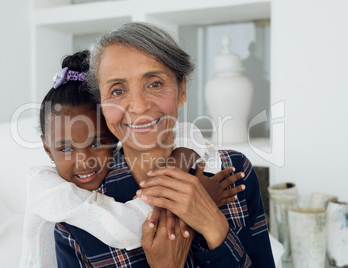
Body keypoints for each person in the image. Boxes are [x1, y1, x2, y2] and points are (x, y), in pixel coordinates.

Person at [54, 22, 275, 267]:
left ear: (182, 89)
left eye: (155, 84)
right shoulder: (78, 217)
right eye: (117, 91)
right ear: (101, 104)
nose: (138, 106)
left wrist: (213, 225)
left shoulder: (233, 173)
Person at [20, 51, 246, 267]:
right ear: (47, 149)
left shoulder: (234, 165)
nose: (84, 160)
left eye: (97, 144)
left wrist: (177, 164)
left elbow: (186, 131)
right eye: (66, 148)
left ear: (116, 136)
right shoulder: (48, 193)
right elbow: (126, 228)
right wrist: (196, 200)